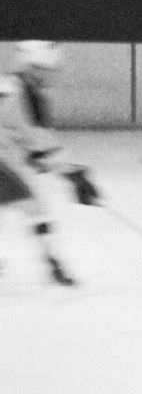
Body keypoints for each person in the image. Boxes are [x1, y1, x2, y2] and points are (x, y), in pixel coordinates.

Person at [0, 41, 99, 286]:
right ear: (32, 67)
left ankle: (52, 264)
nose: (51, 75)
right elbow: (37, 140)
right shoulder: (26, 94)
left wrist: (63, 168)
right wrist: (70, 174)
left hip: (7, 157)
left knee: (32, 206)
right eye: (47, 69)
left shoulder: (10, 84)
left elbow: (24, 137)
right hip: (4, 161)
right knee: (34, 207)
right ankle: (53, 265)